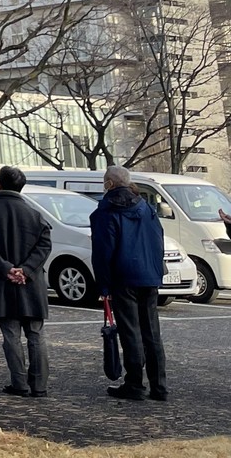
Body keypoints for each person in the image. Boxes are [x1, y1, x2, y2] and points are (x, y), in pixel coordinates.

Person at [0, 165, 52, 398]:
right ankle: (39, 385)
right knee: (35, 333)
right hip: (31, 281)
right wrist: (25, 270)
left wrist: (5, 268)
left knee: (11, 334)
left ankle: (19, 383)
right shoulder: (34, 213)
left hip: (0, 281)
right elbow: (45, 244)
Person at [90, 165, 168, 402]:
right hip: (148, 275)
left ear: (109, 184)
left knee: (130, 331)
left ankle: (134, 383)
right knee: (152, 332)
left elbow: (103, 252)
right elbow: (158, 240)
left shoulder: (105, 211)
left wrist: (103, 285)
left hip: (123, 277)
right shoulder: (146, 208)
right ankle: (159, 386)